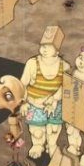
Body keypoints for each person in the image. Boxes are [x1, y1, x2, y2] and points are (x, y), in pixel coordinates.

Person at [20, 26, 70, 159]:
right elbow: (23, 84)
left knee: (53, 129)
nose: (45, 49)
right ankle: (37, 145)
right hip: (34, 103)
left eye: (49, 46)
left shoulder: (64, 66)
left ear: (57, 51)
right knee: (36, 131)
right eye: (43, 46)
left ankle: (52, 145)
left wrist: (54, 99)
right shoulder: (32, 63)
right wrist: (23, 102)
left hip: (55, 104)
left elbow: (66, 86)